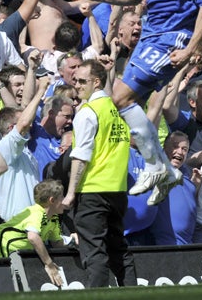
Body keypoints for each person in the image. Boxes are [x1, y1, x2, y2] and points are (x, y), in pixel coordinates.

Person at [83, 0, 202, 204]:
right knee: (122, 99)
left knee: (121, 97)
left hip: (173, 39)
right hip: (150, 37)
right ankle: (164, 169)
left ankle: (156, 166)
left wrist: (190, 49)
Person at [61, 59, 137, 287]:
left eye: (82, 81)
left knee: (94, 253)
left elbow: (81, 155)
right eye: (75, 80)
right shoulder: (116, 110)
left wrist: (71, 193)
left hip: (92, 190)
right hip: (117, 190)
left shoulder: (88, 112)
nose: (77, 86)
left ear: (96, 82)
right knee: (119, 250)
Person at [0, 179, 68, 287]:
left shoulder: (54, 218)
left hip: (2, 258)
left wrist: (73, 240)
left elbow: (57, 243)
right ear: (52, 200)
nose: (65, 201)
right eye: (62, 197)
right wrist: (49, 264)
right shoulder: (36, 213)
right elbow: (33, 237)